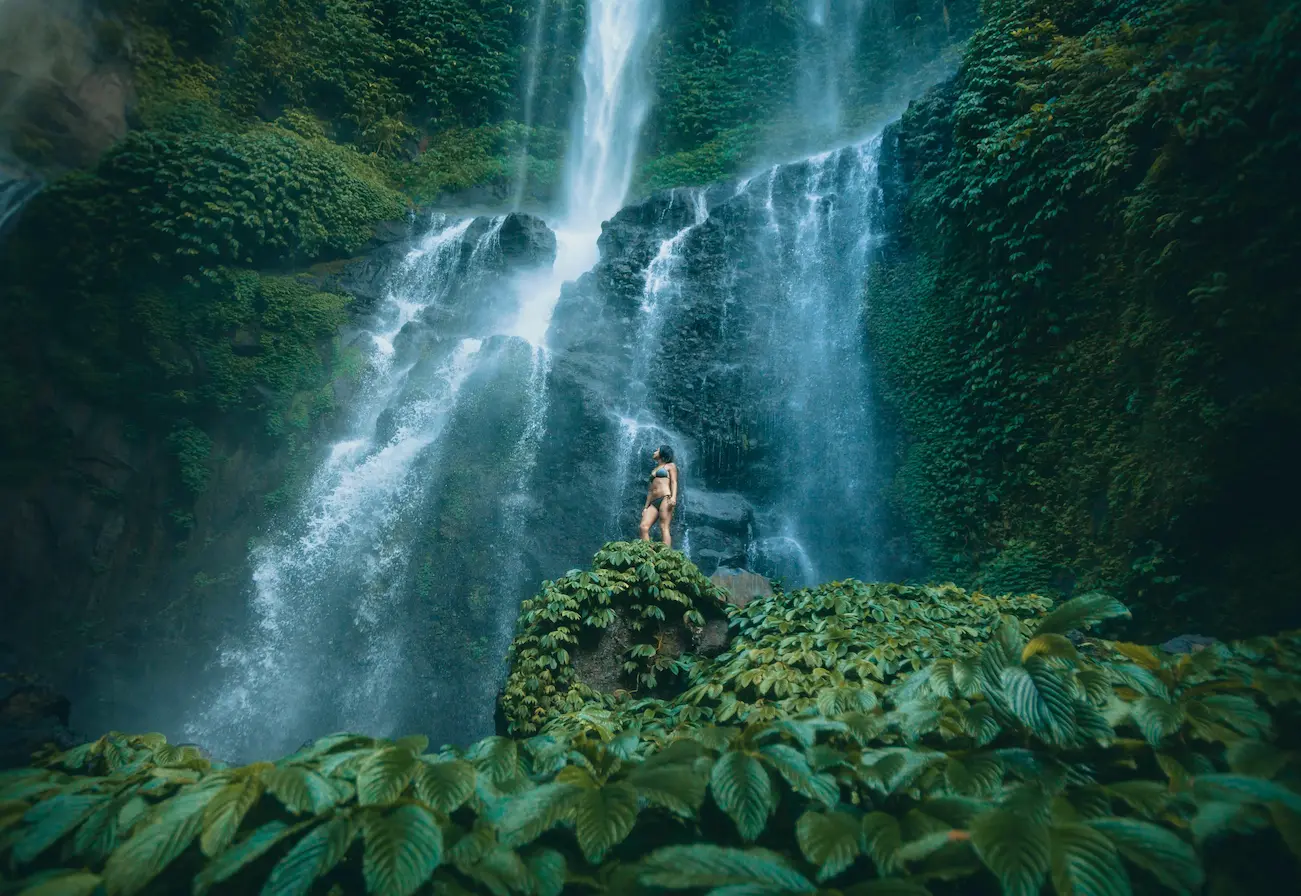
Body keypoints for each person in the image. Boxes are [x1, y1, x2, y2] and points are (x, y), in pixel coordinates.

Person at [639, 445, 678, 548]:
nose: (654, 452)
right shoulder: (655, 469)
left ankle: (666, 556)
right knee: (643, 527)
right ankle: (649, 554)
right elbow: (650, 491)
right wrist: (645, 507)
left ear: (663, 453)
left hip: (665, 498)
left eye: (657, 450)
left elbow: (674, 482)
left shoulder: (670, 466)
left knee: (664, 527)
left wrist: (673, 497)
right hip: (653, 502)